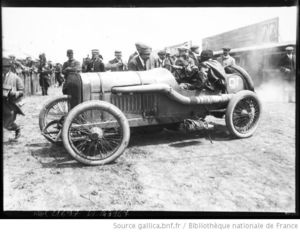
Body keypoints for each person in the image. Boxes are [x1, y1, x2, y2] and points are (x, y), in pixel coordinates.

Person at [2, 58, 25, 140]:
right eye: (3, 67)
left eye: (6, 67)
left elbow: (22, 91)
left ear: (9, 67)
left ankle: (17, 128)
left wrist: (14, 93)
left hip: (10, 104)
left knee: (7, 124)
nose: (4, 68)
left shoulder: (15, 78)